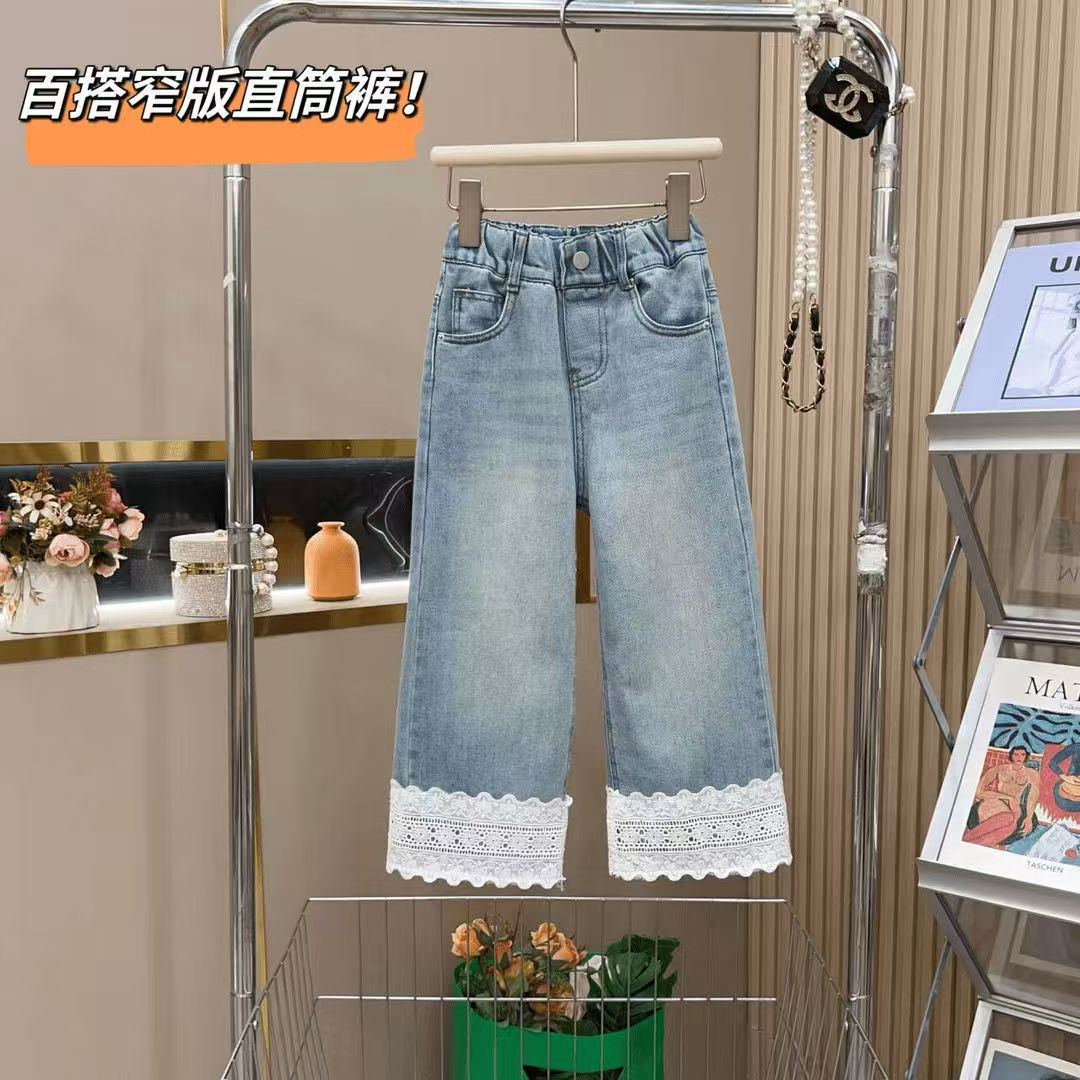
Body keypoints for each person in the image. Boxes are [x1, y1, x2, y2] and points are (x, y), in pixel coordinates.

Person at [964, 746, 1040, 847]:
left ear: (1026, 756)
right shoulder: (998, 769)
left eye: (1022, 754)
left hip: (1016, 806)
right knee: (1008, 818)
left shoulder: (1032, 774)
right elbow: (979, 792)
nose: (1019, 757)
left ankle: (970, 841)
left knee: (1013, 824)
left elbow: (1033, 797)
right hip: (998, 802)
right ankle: (970, 840)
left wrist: (1029, 817)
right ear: (1011, 755)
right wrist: (1008, 798)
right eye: (1016, 754)